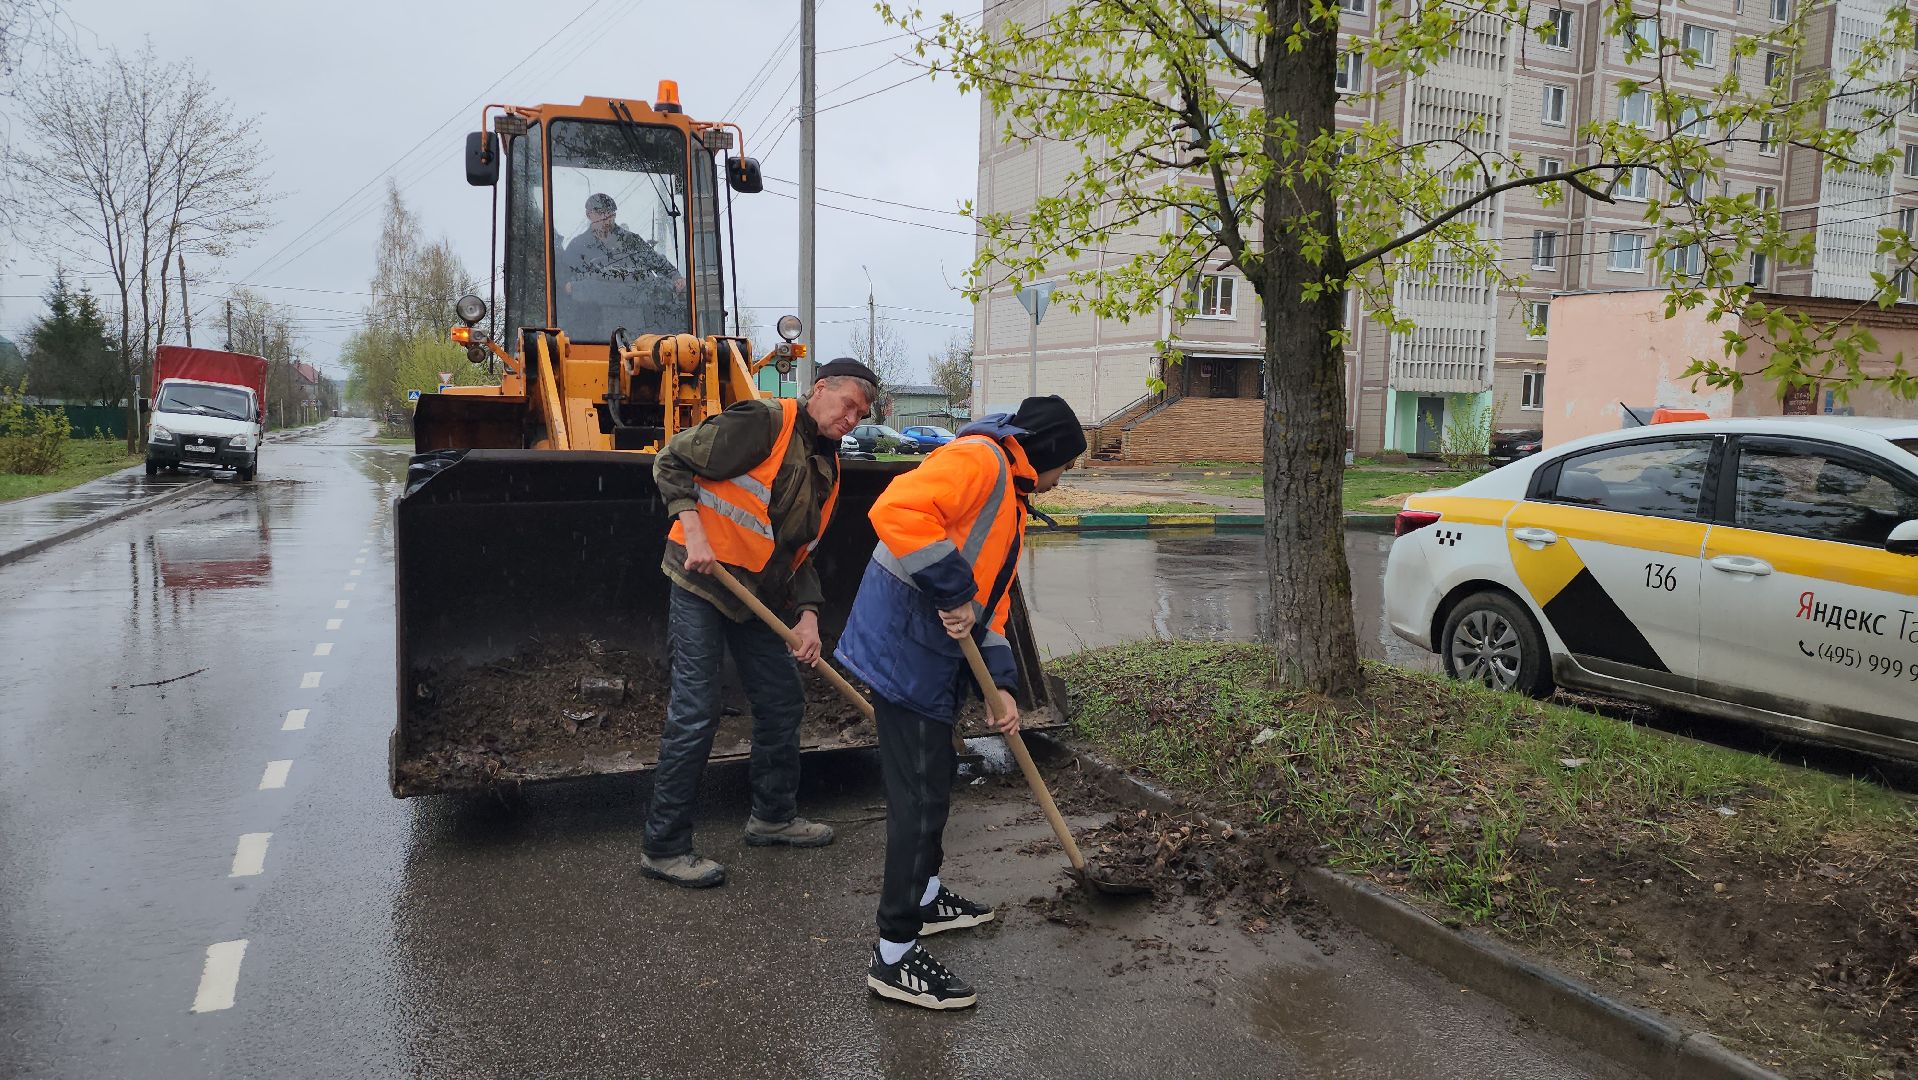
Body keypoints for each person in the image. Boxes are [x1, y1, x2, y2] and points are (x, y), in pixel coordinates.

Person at [834, 395, 1086, 1010]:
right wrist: (951, 589)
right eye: (1068, 464)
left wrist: (1000, 685)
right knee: (918, 797)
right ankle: (892, 956)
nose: (1066, 476)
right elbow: (896, 507)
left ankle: (924, 897)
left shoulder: (1014, 500)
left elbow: (991, 603)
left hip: (937, 651)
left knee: (939, 775)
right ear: (1049, 451)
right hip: (906, 647)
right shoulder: (980, 460)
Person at [641, 359, 880, 888]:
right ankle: (664, 846)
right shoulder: (763, 422)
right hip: (702, 582)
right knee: (696, 710)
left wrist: (811, 615)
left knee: (782, 700)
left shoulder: (828, 466)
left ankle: (772, 817)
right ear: (820, 389)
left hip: (757, 598)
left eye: (861, 416)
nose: (852, 421)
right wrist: (693, 529)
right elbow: (670, 461)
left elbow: (798, 552)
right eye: (848, 406)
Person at [561, 193, 684, 338]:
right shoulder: (577, 247)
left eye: (610, 214)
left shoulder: (632, 241)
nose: (606, 220)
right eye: (601, 214)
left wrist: (676, 278)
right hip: (592, 330)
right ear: (589, 215)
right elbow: (565, 283)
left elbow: (662, 265)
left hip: (636, 327)